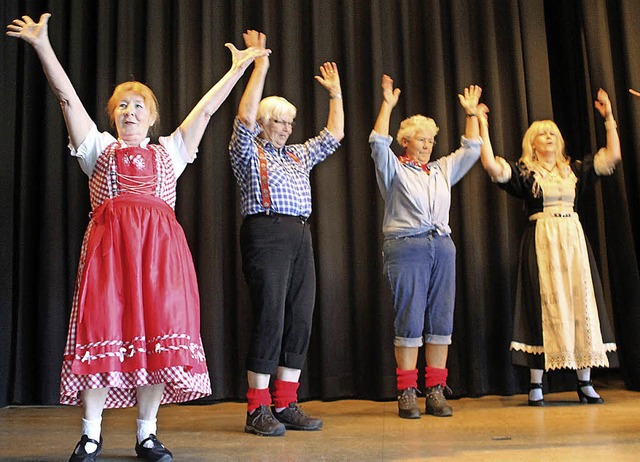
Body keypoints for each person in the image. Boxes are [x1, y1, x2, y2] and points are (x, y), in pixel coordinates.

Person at [6, 13, 269, 462]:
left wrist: (238, 69)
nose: (129, 111)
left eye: (138, 106)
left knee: (157, 339)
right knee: (101, 331)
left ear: (152, 117)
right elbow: (66, 99)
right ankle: (90, 434)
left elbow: (206, 110)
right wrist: (43, 46)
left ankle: (146, 433)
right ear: (113, 115)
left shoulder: (171, 150)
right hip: (108, 256)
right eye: (122, 105)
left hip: (161, 258)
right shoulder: (98, 148)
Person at [228, 30, 344, 436]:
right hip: (266, 230)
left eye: (290, 122)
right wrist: (261, 65)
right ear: (265, 121)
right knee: (271, 315)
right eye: (279, 120)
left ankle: (285, 401)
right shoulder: (247, 149)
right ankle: (257, 409)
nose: (286, 128)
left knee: (300, 316)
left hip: (299, 234)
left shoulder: (296, 154)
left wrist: (335, 94)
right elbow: (243, 117)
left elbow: (334, 137)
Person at [477, 90, 621, 406]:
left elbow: (611, 158)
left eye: (552, 133)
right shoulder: (525, 172)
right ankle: (536, 384)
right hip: (542, 240)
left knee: (579, 301)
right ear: (533, 143)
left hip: (572, 239)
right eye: (542, 134)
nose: (549, 137)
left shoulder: (575, 170)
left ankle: (584, 382)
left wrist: (608, 118)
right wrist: (481, 123)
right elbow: (490, 165)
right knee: (540, 304)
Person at [369, 74, 482, 419]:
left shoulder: (440, 169)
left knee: (440, 320)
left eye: (432, 139)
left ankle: (435, 389)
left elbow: (473, 149)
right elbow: (376, 142)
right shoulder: (394, 168)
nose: (428, 144)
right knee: (410, 317)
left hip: (442, 246)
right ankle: (406, 391)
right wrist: (387, 104)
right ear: (405, 141)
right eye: (421, 139)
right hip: (407, 246)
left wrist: (471, 114)